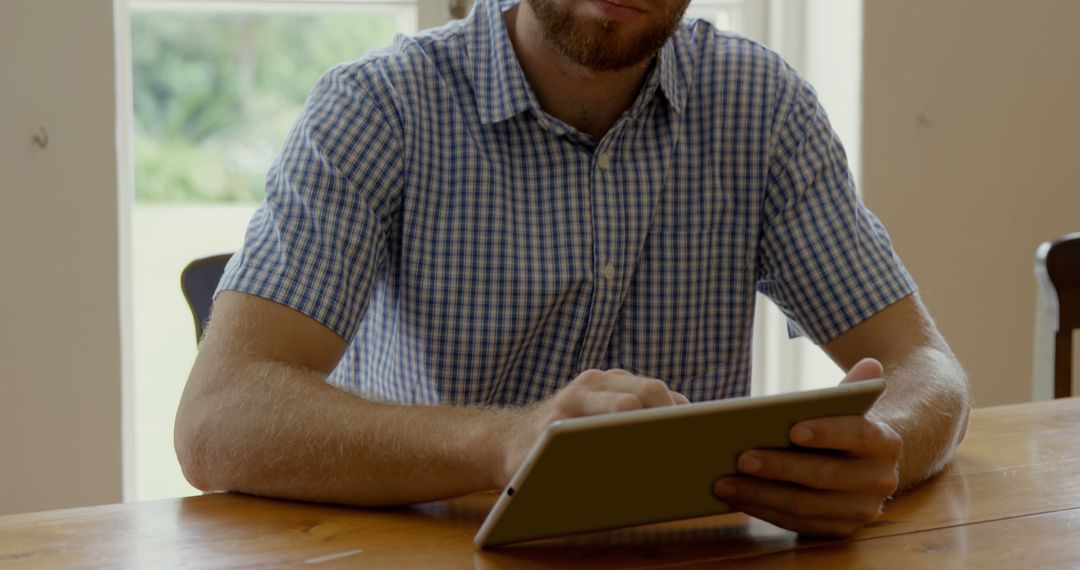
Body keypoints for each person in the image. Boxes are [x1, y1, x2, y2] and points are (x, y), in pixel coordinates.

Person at [175, 0, 970, 538]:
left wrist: (882, 444)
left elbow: (926, 365)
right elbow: (217, 419)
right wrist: (501, 440)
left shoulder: (763, 108)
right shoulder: (378, 107)